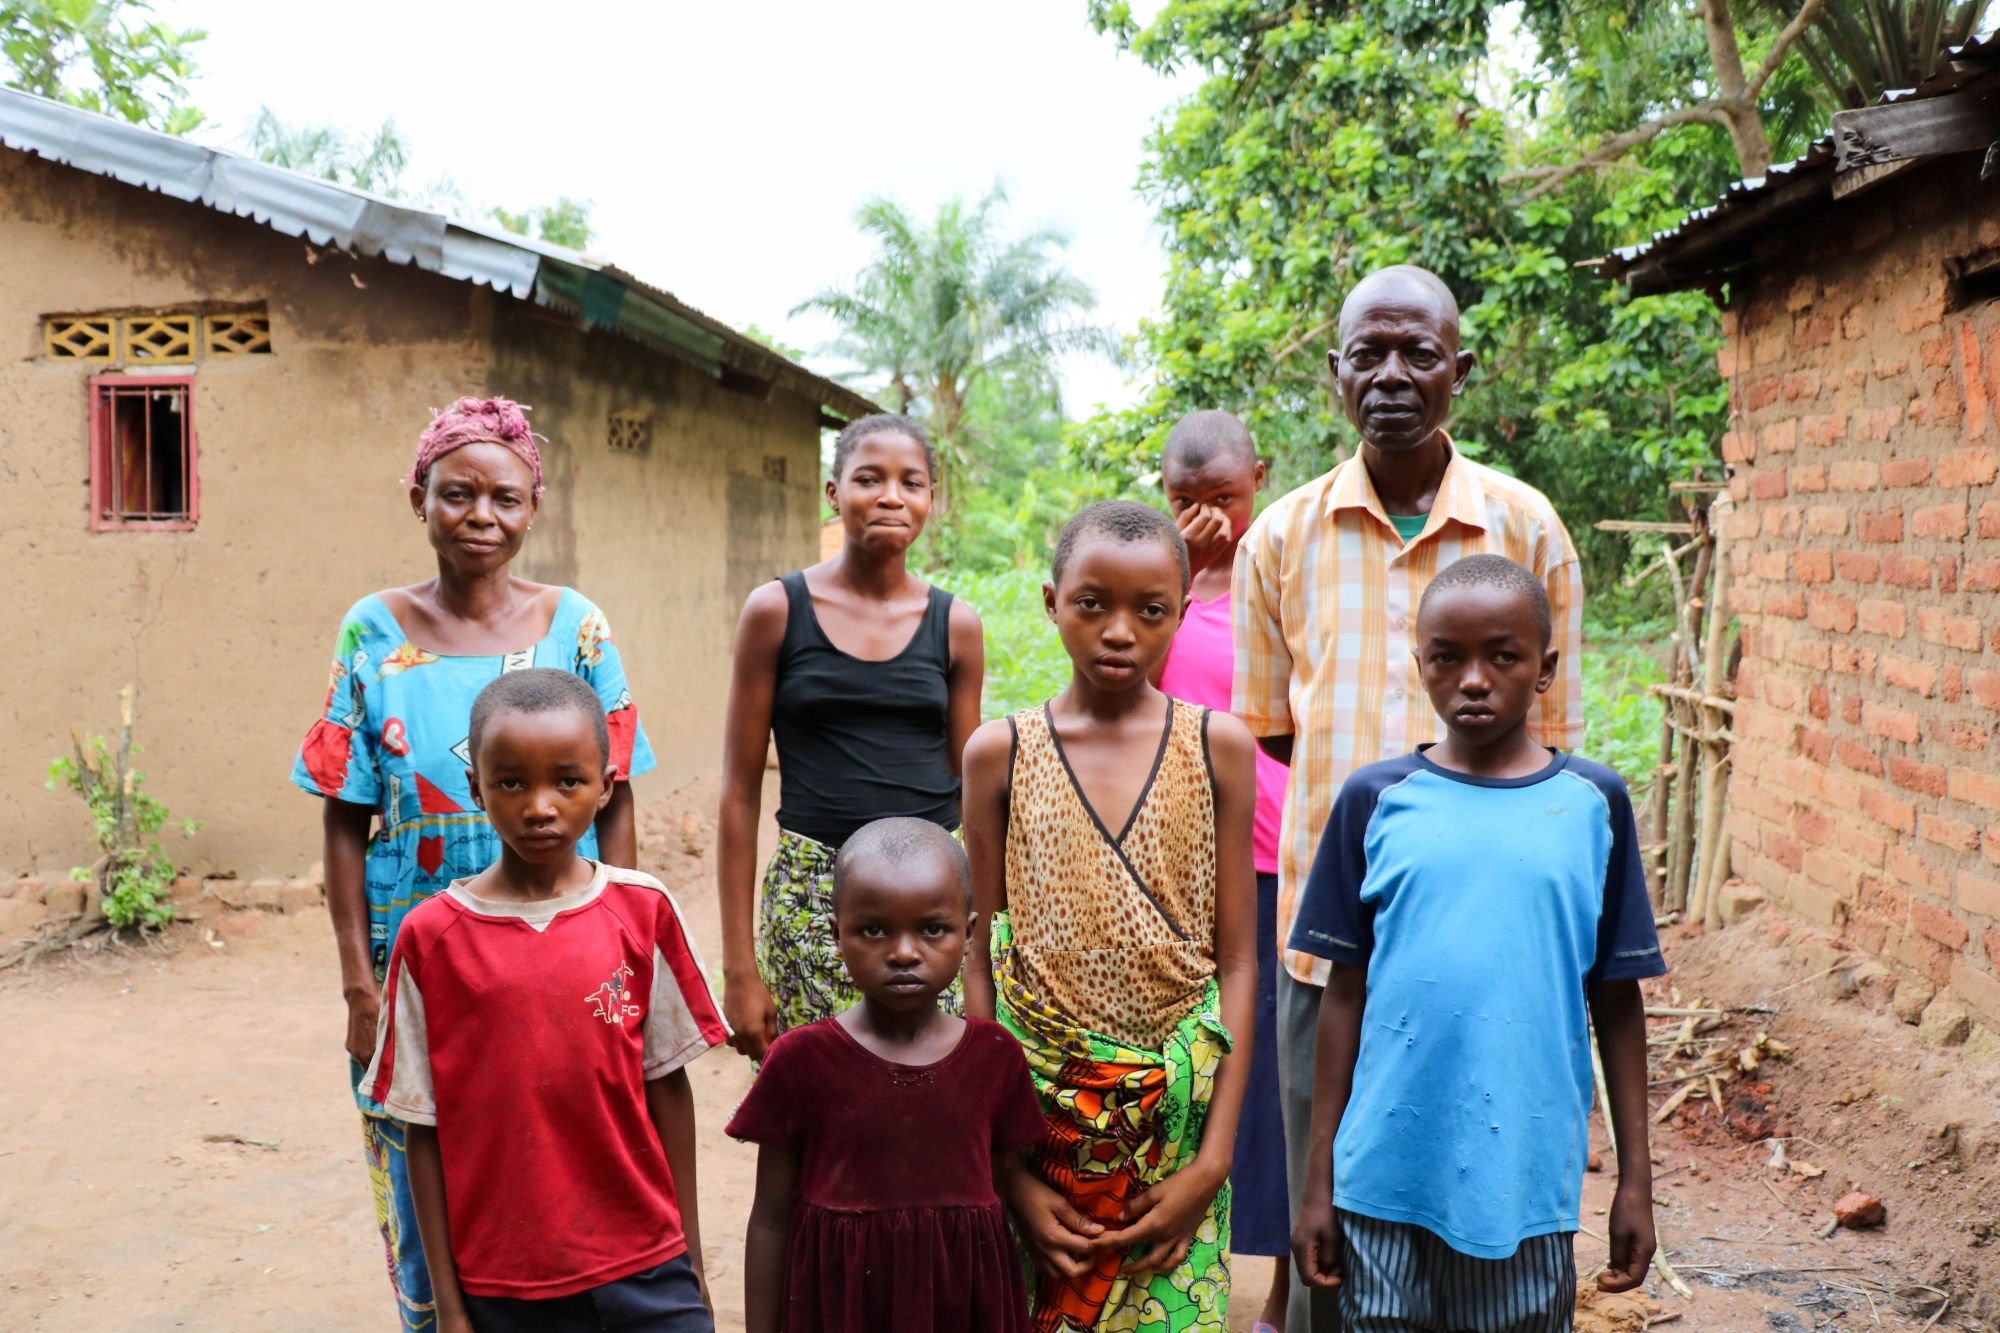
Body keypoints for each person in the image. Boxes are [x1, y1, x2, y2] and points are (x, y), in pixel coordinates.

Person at [1231, 266, 1585, 1330]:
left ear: (1458, 371)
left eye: (1417, 353)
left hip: (1490, 958)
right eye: (1367, 354)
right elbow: (1276, 735)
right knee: (1326, 1220)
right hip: (1328, 950)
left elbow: (1549, 748)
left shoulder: (1524, 530)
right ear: (1335, 374)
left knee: (1481, 1221)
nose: (1391, 375)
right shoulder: (1278, 539)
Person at [292, 396, 657, 1330]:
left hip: (559, 950)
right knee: (421, 1153)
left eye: (505, 496)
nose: (482, 517)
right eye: (458, 494)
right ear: (420, 497)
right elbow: (345, 814)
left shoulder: (576, 626)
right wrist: (359, 987)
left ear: (533, 507)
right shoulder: (372, 630)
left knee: (561, 1154)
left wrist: (623, 940)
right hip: (413, 955)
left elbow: (613, 797)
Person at [1286, 556, 1660, 1330]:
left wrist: (1635, 1179)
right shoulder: (1374, 800)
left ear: (1546, 667)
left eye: (1503, 654)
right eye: (1447, 656)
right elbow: (1343, 994)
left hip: (1522, 1187)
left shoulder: (1593, 805)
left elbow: (1617, 1002)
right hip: (1380, 1178)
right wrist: (1317, 1175)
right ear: (1419, 662)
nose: (1475, 679)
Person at [963, 500, 1258, 1333]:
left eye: (1149, 609)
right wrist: (1007, 1165)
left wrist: (1212, 1161)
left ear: (1184, 612)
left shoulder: (1217, 747)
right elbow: (979, 955)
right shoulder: (1002, 752)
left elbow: (1237, 962)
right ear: (1052, 601)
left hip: (1176, 1130)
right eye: (1093, 603)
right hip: (1039, 1121)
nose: (1119, 630)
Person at [361, 669, 726, 1333]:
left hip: (645, 1262)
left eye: (567, 780)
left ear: (606, 784)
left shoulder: (642, 911)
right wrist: (449, 1305)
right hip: (504, 1283)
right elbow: (422, 1126)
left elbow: (667, 1087)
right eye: (510, 782)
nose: (539, 805)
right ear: (475, 786)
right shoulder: (432, 938)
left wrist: (690, 1255)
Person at [717, 412, 985, 1061]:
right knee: (815, 1115)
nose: (892, 495)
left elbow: (976, 801)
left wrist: (980, 958)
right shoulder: (777, 611)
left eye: (910, 482)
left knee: (929, 1106)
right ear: (834, 492)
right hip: (816, 900)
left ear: (929, 499)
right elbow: (738, 795)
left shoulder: (956, 625)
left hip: (931, 902)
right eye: (870, 478)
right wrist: (739, 969)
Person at [729, 817, 1046, 1333]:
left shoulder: (995, 1057)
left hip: (958, 1308)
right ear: (836, 935)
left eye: (932, 929)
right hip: (841, 1310)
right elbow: (769, 1218)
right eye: (874, 930)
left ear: (968, 934)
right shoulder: (800, 1060)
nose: (903, 952)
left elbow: (998, 1203)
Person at [1154, 411, 1291, 1333]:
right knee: (1185, 1066)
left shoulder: (1280, 572)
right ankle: (1171, 1261)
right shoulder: (1152, 584)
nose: (1208, 518)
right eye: (1185, 502)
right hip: (1175, 861)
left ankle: (1283, 1290)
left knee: (1279, 1069)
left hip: (1276, 853)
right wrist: (1170, 565)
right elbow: (1120, 678)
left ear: (1260, 481)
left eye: (1225, 499)